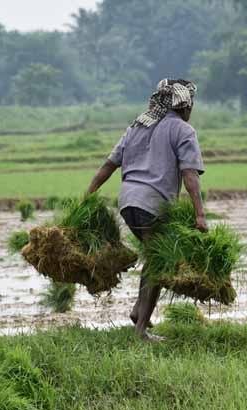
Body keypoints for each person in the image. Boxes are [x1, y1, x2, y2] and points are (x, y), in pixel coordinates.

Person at [85, 78, 207, 340]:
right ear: (185, 106)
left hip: (128, 202)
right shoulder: (183, 130)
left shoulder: (137, 126)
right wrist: (199, 214)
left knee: (153, 257)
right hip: (152, 205)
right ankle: (140, 329)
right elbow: (190, 176)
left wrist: (87, 195)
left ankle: (138, 311)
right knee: (160, 262)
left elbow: (108, 165)